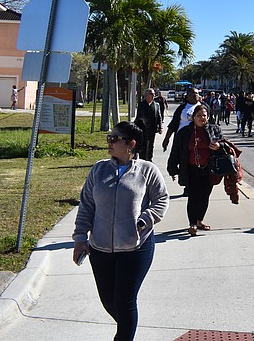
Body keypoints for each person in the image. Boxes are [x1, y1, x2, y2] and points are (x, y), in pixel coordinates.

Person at [73, 120, 169, 341]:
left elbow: (162, 199)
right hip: (100, 248)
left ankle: (124, 335)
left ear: (130, 144)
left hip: (136, 247)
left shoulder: (147, 171)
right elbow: (86, 205)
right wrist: (80, 238)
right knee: (108, 300)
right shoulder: (99, 170)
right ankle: (127, 326)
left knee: (125, 300)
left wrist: (146, 218)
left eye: (115, 138)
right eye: (110, 137)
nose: (110, 142)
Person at [166, 104, 223, 236]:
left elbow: (224, 145)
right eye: (199, 115)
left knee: (204, 196)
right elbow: (176, 151)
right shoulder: (184, 132)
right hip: (190, 169)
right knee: (193, 196)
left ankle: (199, 220)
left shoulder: (215, 130)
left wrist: (219, 146)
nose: (202, 118)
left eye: (204, 115)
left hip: (209, 170)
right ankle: (192, 223)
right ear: (193, 117)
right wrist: (173, 168)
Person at [161, 86, 202, 152]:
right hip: (182, 139)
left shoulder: (204, 107)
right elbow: (173, 124)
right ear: (187, 96)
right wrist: (166, 139)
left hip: (198, 139)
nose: (194, 95)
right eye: (192, 93)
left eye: (196, 93)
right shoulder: (182, 108)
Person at [134, 89, 162, 162]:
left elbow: (159, 116)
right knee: (143, 144)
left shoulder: (156, 105)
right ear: (146, 96)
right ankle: (142, 158)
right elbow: (138, 116)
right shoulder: (141, 104)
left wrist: (160, 127)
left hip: (152, 128)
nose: (152, 96)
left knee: (151, 144)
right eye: (150, 94)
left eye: (153, 94)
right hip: (142, 128)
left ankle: (149, 158)